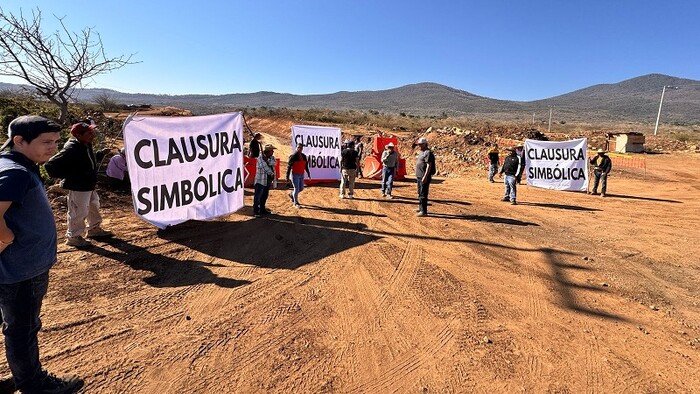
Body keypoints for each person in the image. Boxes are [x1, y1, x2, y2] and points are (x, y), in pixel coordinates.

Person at [0, 115, 84, 393]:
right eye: (46, 142)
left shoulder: (15, 165)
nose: (53, 148)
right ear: (19, 141)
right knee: (22, 329)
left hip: (15, 267)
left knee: (14, 326)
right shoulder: (16, 172)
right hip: (20, 270)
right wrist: (6, 238)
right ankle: (35, 386)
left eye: (57, 142)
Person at [44, 122, 113, 248]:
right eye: (89, 133)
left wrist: (101, 153)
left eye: (92, 132)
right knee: (78, 211)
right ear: (79, 135)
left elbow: (86, 160)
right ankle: (73, 237)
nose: (92, 135)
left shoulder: (85, 145)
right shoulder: (72, 148)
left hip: (88, 185)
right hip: (79, 186)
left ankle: (93, 229)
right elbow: (50, 165)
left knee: (93, 205)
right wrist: (70, 175)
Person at [253, 144, 277, 218]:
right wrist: (271, 173)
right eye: (271, 151)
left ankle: (262, 209)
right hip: (260, 180)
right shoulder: (260, 158)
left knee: (264, 196)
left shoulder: (271, 157)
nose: (273, 152)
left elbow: (274, 163)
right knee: (258, 196)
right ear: (268, 151)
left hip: (267, 180)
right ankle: (256, 211)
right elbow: (264, 167)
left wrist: (268, 160)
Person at [285, 144, 311, 208]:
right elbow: (289, 167)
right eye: (298, 147)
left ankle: (292, 194)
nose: (299, 149)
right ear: (296, 148)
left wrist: (308, 174)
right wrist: (287, 176)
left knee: (301, 188)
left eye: (301, 148)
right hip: (294, 175)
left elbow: (306, 166)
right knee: (296, 188)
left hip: (301, 174)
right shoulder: (293, 157)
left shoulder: (304, 156)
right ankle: (295, 203)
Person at [414, 137, 435, 216]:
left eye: (420, 144)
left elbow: (429, 165)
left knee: (423, 193)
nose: (419, 146)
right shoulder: (421, 152)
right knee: (420, 193)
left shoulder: (428, 153)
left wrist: (425, 176)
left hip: (424, 176)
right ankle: (420, 208)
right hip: (419, 176)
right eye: (418, 144)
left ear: (425, 144)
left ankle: (424, 211)